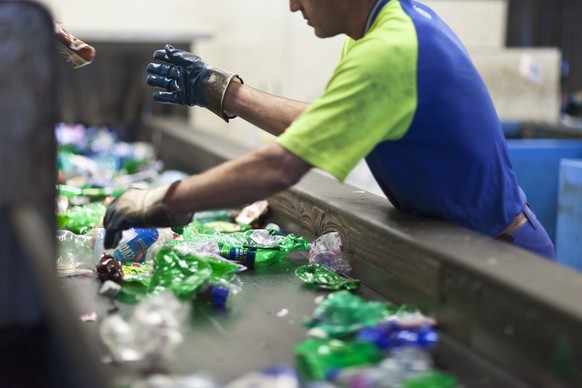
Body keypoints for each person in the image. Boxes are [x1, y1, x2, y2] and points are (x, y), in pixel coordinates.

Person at [103, 0, 556, 260]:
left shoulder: (389, 51)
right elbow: (321, 124)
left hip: (503, 260)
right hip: (466, 247)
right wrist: (221, 92)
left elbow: (280, 167)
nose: (294, 4)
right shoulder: (385, 27)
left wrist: (164, 200)